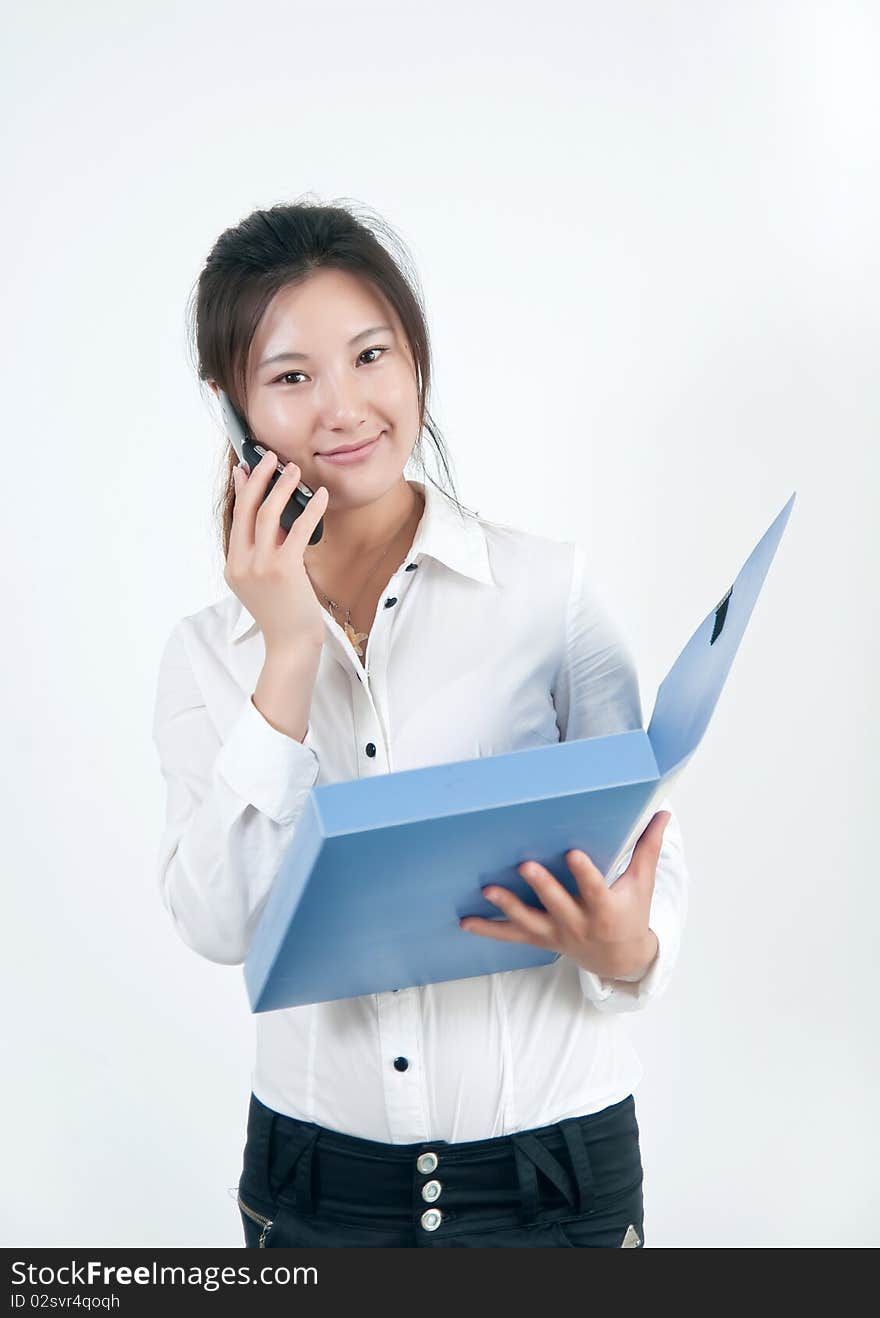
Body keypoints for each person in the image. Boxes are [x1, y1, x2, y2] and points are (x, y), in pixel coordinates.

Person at [151, 199, 690, 1250]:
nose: (344, 406)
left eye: (370, 355)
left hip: (555, 1180)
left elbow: (646, 849)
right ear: (232, 411)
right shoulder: (207, 654)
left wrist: (630, 946)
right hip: (317, 1190)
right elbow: (217, 924)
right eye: (291, 376)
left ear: (415, 360)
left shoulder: (547, 591)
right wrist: (289, 658)